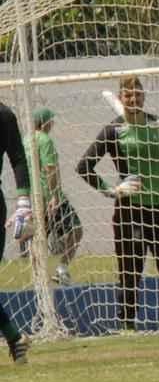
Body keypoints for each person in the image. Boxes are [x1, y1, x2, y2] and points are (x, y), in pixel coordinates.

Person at [77, 76, 159, 332]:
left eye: (137, 94)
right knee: (131, 270)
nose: (133, 99)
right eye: (128, 96)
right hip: (130, 212)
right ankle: (127, 325)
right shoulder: (113, 130)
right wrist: (112, 190)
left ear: (143, 96)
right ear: (121, 98)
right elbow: (84, 166)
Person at [25, 108, 82, 285]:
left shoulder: (25, 140)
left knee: (38, 240)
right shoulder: (44, 139)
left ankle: (38, 279)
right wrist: (55, 196)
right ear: (46, 122)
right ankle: (62, 268)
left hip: (34, 198)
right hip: (50, 197)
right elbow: (50, 169)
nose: (53, 124)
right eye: (52, 121)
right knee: (77, 230)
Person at [0, 101, 32, 362]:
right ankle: (14, 338)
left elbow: (18, 158)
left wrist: (23, 202)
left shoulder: (4, 114)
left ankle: (14, 337)